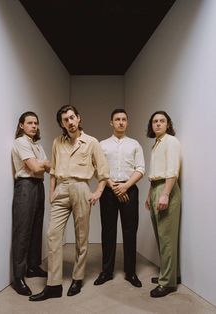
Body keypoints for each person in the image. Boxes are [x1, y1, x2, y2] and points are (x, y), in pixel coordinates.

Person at [29, 105, 109, 301]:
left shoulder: (91, 142)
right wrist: (52, 193)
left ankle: (77, 278)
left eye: (72, 118)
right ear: (62, 124)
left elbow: (104, 172)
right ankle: (53, 285)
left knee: (81, 237)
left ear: (79, 118)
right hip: (61, 189)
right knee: (53, 235)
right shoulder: (58, 142)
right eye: (66, 120)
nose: (70, 122)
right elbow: (54, 171)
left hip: (82, 188)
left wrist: (97, 192)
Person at [94, 109, 145, 288]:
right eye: (117, 119)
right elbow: (98, 168)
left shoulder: (135, 144)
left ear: (127, 122)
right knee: (108, 231)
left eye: (124, 119)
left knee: (130, 232)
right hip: (109, 191)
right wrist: (113, 186)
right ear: (111, 122)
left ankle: (130, 273)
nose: (121, 122)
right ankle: (106, 272)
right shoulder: (102, 145)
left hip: (129, 190)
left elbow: (140, 169)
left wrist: (125, 186)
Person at [11, 111, 51, 296]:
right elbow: (36, 167)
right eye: (30, 123)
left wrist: (41, 163)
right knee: (23, 231)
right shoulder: (20, 142)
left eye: (36, 123)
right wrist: (42, 163)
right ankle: (18, 277)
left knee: (36, 227)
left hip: (39, 186)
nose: (34, 126)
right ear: (21, 125)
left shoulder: (37, 145)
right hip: (25, 186)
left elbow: (49, 168)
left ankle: (33, 266)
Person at [145, 111, 181, 298]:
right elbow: (155, 173)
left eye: (162, 121)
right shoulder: (156, 144)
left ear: (168, 124)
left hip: (167, 188)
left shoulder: (171, 141)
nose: (158, 124)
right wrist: (150, 194)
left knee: (167, 238)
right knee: (161, 236)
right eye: (155, 121)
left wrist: (165, 194)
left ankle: (167, 283)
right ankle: (169, 274)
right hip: (156, 188)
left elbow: (172, 171)